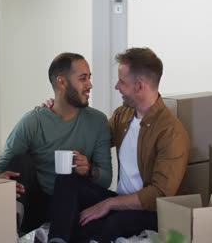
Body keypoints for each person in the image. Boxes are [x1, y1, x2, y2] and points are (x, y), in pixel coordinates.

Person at [47, 47, 190, 243]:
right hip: (119, 201)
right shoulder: (123, 115)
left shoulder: (171, 132)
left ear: (139, 86)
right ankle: (57, 240)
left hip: (148, 212)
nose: (116, 86)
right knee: (67, 181)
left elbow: (159, 195)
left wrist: (108, 204)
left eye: (122, 82)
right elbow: (95, 137)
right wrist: (56, 110)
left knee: (105, 226)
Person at [0, 52, 112, 234]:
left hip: (75, 204)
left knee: (70, 181)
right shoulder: (33, 121)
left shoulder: (98, 121)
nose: (89, 85)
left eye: (89, 78)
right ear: (61, 82)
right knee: (21, 161)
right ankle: (13, 227)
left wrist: (90, 170)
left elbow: (106, 178)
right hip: (37, 205)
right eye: (83, 78)